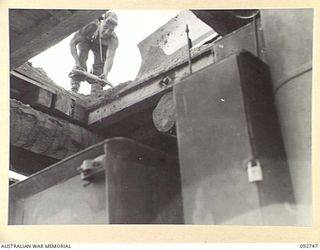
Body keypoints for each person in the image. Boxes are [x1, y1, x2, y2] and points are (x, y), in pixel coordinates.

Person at [69, 11, 119, 95]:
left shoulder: (113, 40)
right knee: (82, 57)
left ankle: (96, 89)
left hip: (100, 46)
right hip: (87, 39)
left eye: (110, 30)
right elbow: (72, 43)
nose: (106, 32)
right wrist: (77, 63)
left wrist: (105, 73)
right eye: (105, 28)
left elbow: (109, 58)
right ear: (101, 23)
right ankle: (75, 86)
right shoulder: (89, 27)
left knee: (100, 64)